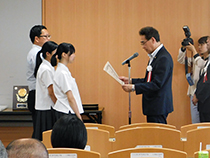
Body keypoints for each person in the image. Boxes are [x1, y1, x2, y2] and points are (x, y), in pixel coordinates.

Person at [119, 26, 173, 124]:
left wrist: (133, 87)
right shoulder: (155, 56)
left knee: (158, 136)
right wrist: (130, 80)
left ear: (153, 40)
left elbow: (157, 84)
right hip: (153, 106)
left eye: (143, 43)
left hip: (158, 106)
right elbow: (148, 80)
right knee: (153, 136)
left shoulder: (163, 58)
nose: (143, 47)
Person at [178, 36, 209, 123]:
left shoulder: (206, 61)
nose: (199, 47)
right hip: (194, 94)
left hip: (204, 95)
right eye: (198, 45)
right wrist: (183, 48)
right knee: (195, 122)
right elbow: (180, 60)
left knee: (204, 124)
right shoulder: (196, 59)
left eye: (201, 45)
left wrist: (194, 51)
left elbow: (202, 64)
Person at [26, 25, 51, 138]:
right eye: (45, 36)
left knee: (40, 128)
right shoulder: (37, 54)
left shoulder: (37, 52)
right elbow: (40, 75)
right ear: (37, 38)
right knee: (40, 131)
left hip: (36, 94)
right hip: (37, 94)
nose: (48, 39)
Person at [52, 43, 84, 123]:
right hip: (66, 111)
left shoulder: (63, 70)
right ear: (64, 55)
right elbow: (70, 98)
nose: (74, 56)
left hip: (65, 110)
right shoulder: (62, 73)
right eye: (72, 53)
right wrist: (79, 117)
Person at [34, 41, 58, 141]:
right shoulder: (46, 69)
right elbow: (51, 92)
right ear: (48, 54)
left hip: (46, 107)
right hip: (47, 108)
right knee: (46, 139)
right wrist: (58, 105)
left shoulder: (49, 67)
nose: (57, 57)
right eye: (55, 54)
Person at [193, 36, 210, 122]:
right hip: (204, 104)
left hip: (207, 101)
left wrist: (198, 95)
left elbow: (207, 83)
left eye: (208, 42)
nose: (207, 42)